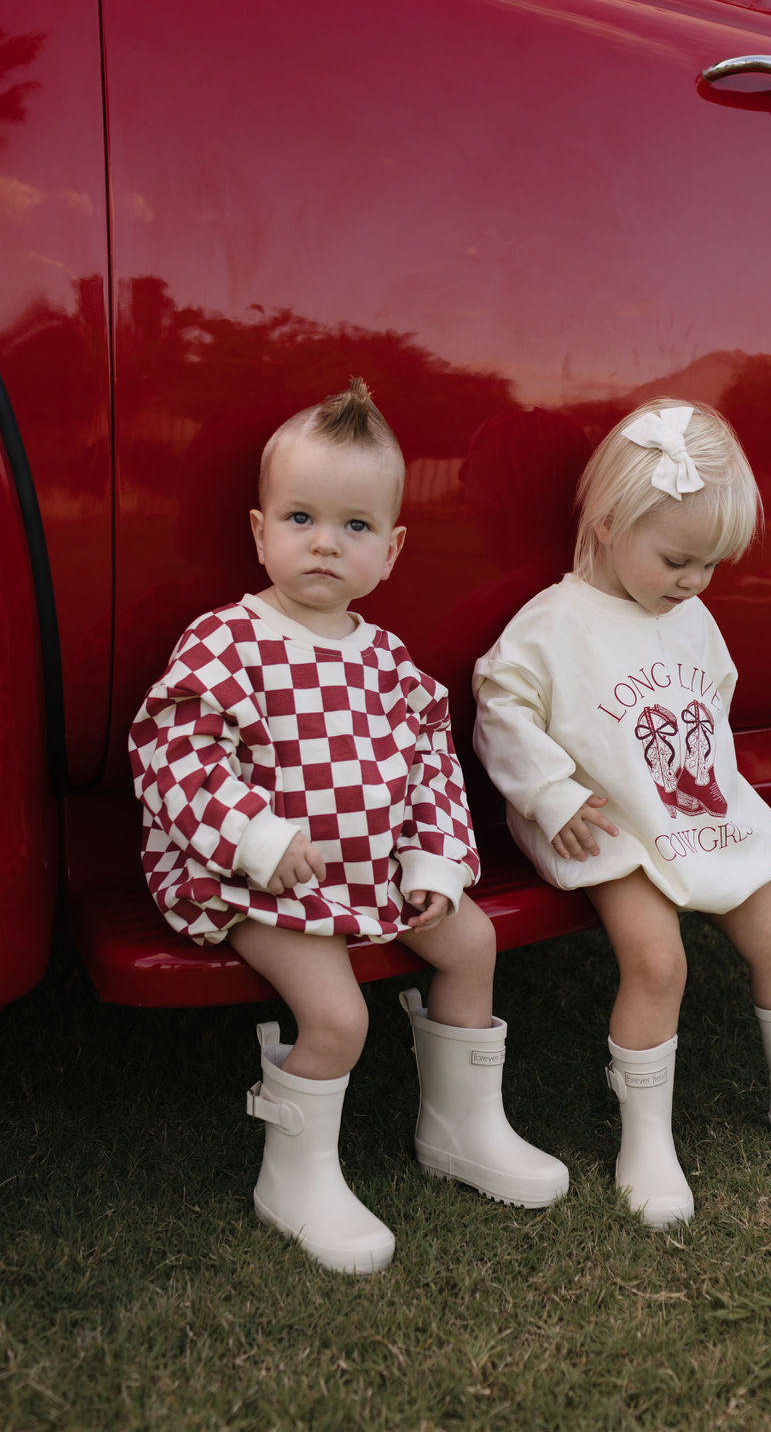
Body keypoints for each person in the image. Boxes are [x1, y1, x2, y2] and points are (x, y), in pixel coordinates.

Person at [129, 379, 568, 1274]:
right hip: (253, 880)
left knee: (471, 940)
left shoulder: (390, 662)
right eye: (300, 517)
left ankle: (461, 1125)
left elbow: (434, 765)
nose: (326, 542)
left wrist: (436, 862)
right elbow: (171, 755)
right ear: (260, 533)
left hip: (373, 872)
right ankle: (294, 1176)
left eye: (356, 526)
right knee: (335, 1014)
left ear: (392, 549)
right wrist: (256, 836)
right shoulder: (227, 641)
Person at [473, 399, 771, 1228]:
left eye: (711, 565)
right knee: (657, 960)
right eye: (678, 560)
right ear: (608, 520)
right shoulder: (555, 624)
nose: (696, 582)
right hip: (603, 819)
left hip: (692, 806)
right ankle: (647, 1137)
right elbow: (500, 707)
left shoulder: (690, 618)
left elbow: (712, 703)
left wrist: (714, 791)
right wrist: (552, 794)